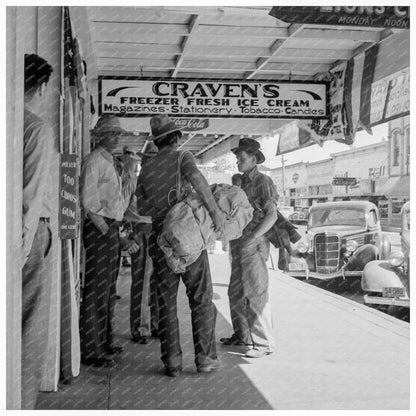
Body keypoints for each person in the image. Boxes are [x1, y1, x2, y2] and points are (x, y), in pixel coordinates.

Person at [135, 114, 225, 377]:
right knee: (201, 299)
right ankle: (205, 358)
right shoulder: (183, 158)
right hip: (189, 238)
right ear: (175, 137)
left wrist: (162, 211)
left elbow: (140, 207)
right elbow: (198, 181)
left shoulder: (147, 168)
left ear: (157, 140)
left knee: (166, 302)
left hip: (160, 239)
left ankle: (172, 362)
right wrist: (216, 214)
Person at [221, 138, 279, 358]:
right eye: (237, 158)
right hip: (238, 242)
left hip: (253, 243)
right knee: (235, 292)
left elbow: (272, 215)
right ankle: (242, 335)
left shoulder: (263, 181)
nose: (238, 161)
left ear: (254, 159)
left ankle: (263, 344)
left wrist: (254, 237)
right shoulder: (240, 182)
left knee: (255, 292)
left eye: (242, 158)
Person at [79, 114, 126, 367]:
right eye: (111, 133)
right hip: (100, 230)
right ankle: (90, 350)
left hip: (110, 229)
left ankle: (104, 342)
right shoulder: (94, 161)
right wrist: (106, 230)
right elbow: (88, 201)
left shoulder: (110, 162)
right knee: (97, 289)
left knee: (108, 289)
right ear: (99, 136)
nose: (116, 137)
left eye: (118, 133)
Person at [22, 53, 55, 409]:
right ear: (42, 87)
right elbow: (29, 201)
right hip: (26, 238)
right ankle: (20, 404)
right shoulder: (35, 128)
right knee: (29, 326)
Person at [125, 141, 160, 344]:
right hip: (141, 231)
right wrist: (127, 236)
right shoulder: (133, 182)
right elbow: (121, 210)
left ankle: (155, 324)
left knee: (159, 282)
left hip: (159, 231)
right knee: (142, 283)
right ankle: (140, 327)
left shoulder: (161, 181)